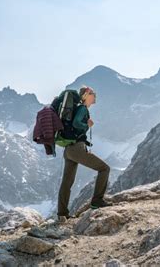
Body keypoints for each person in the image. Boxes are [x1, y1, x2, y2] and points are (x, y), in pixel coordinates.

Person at [57, 85, 112, 223]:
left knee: (67, 182)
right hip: (77, 149)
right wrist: (87, 124)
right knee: (104, 169)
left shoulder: (77, 108)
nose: (95, 98)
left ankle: (62, 214)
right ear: (86, 95)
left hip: (68, 150)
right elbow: (76, 124)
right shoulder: (82, 108)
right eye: (94, 94)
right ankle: (97, 201)